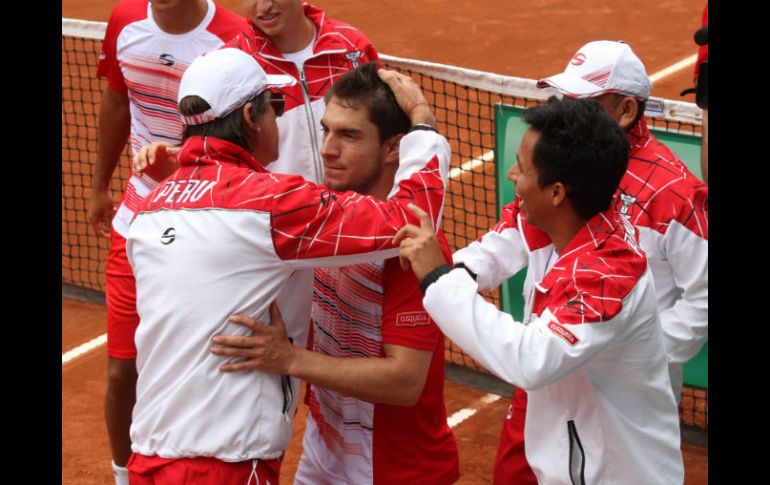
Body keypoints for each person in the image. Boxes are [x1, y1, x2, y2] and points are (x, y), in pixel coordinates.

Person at [125, 47, 449, 484]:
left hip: (151, 455)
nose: (327, 149)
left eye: (348, 135)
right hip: (225, 463)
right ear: (250, 120)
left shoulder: (149, 204)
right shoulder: (279, 211)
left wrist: (180, 173)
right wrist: (423, 125)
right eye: (274, 108)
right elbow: (410, 221)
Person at [395, 97, 684, 484]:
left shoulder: (608, 273)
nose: (513, 173)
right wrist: (446, 274)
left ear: (557, 192)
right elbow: (490, 252)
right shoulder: (569, 217)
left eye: (523, 167)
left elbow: (530, 360)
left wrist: (436, 279)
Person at [209, 63, 460, 485]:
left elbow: (405, 381)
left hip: (395, 470)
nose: (327, 148)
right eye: (327, 130)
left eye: (349, 135)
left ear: (393, 149)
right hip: (324, 451)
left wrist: (290, 359)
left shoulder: (412, 250)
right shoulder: (327, 223)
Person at [87, 1, 245, 483]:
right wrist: (99, 186)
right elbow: (118, 100)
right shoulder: (124, 22)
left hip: (204, 225)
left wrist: (179, 165)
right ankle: (122, 474)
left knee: (200, 371)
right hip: (137, 222)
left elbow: (242, 141)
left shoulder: (232, 38)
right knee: (122, 372)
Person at [536, 40, 708, 402]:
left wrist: (640, 349)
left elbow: (704, 296)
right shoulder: (563, 166)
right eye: (564, 101)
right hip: (561, 367)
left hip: (635, 388)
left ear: (626, 110)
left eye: (582, 104)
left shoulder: (675, 192)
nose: (567, 115)